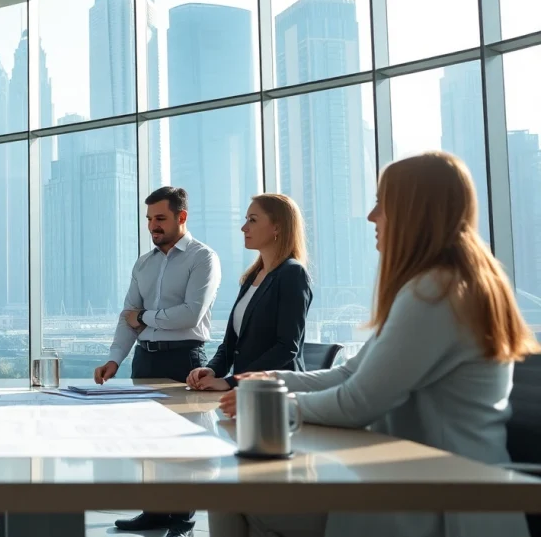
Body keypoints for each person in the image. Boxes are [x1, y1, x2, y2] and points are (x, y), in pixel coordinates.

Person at [213, 152, 537, 537]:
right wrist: (271, 380)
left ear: (414, 211)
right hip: (425, 485)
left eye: (383, 203)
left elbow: (357, 402)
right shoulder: (446, 284)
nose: (371, 215)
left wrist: (272, 403)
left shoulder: (435, 292)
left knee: (234, 494)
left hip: (439, 504)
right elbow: (351, 372)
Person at [93, 186, 222, 537]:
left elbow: (190, 315)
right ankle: (153, 510)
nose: (153, 226)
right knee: (148, 439)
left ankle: (181, 516)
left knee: (184, 441)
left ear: (182, 217)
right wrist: (114, 360)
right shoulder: (143, 263)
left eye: (160, 218)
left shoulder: (203, 258)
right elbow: (127, 316)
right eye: (149, 219)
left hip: (185, 359)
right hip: (144, 361)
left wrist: (144, 316)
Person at [186, 194, 312, 391]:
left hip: (276, 393)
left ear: (277, 227)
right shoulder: (252, 277)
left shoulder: (292, 274)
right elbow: (230, 344)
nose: (244, 227)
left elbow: (286, 348)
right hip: (247, 392)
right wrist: (212, 370)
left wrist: (231, 381)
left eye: (252, 220)